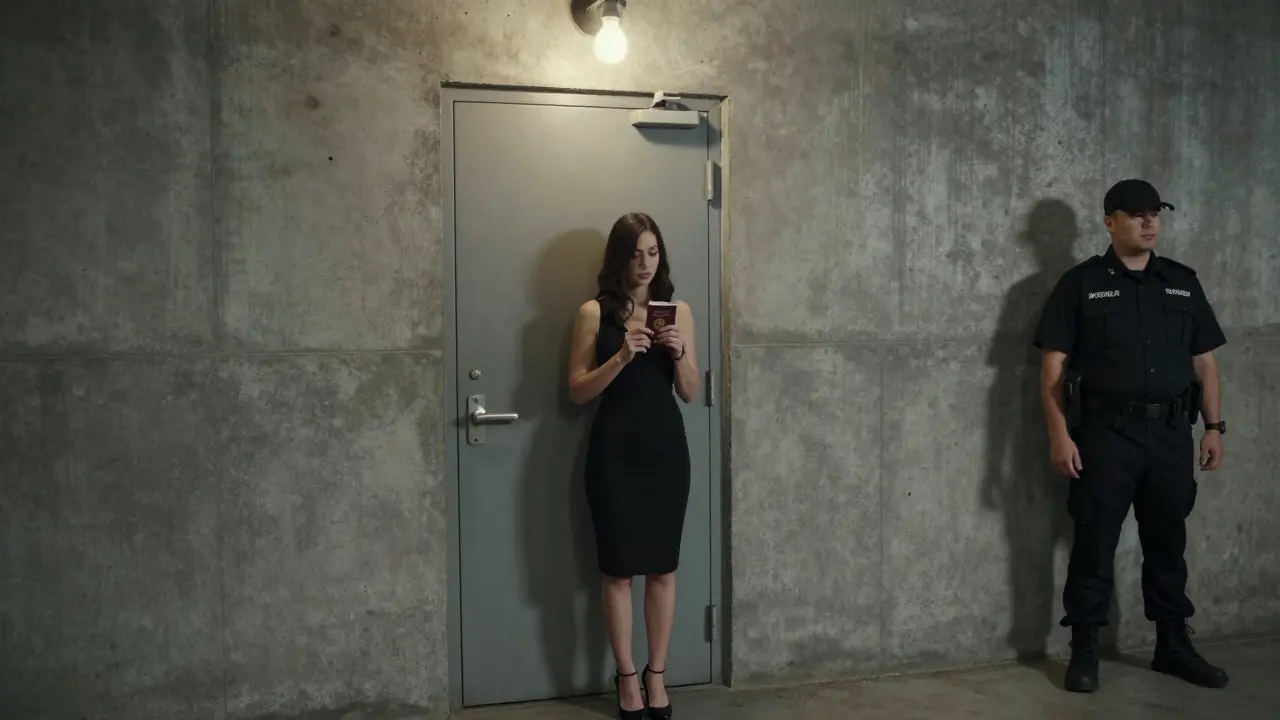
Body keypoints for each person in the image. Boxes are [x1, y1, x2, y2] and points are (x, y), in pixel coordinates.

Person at [1032, 179, 1230, 694]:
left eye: (1155, 214)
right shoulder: (1080, 284)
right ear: (1109, 221)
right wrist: (1059, 436)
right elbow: (1052, 366)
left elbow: (1204, 362)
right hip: (1104, 437)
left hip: (1169, 435)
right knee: (1094, 541)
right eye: (1137, 214)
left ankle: (1172, 645)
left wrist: (1213, 427)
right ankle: (1085, 647)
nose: (1149, 223)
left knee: (1168, 542)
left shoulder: (1183, 283)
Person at [567, 212, 700, 720]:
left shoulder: (677, 310)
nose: (644, 263)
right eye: (634, 253)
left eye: (652, 252)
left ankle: (657, 675)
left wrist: (680, 352)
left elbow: (690, 392)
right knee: (618, 572)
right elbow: (577, 392)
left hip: (666, 452)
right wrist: (622, 356)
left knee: (663, 570)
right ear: (617, 258)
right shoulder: (592, 313)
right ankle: (626, 677)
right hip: (613, 454)